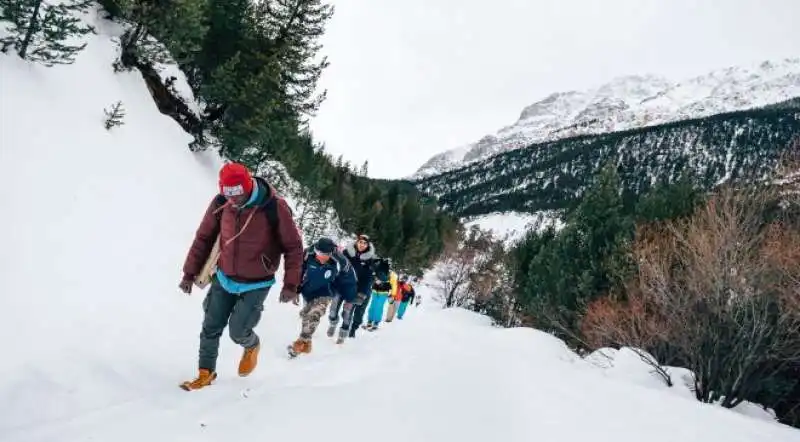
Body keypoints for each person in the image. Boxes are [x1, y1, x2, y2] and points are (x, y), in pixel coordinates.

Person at [179, 162, 303, 391]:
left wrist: (291, 284)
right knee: (210, 326)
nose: (233, 199)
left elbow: (293, 246)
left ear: (248, 186)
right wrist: (189, 273)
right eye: (228, 193)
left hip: (257, 282)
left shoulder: (273, 207)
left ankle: (252, 344)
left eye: (238, 192)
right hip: (224, 276)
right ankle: (205, 372)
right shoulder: (220, 203)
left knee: (238, 331)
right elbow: (204, 238)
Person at [289, 237, 357, 357]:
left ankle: (300, 342)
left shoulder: (340, 261)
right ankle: (307, 344)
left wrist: (350, 299)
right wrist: (296, 288)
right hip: (309, 291)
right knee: (305, 315)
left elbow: (350, 280)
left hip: (327, 292)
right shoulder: (307, 254)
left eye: (326, 255)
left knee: (314, 313)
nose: (322, 257)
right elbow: (298, 271)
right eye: (319, 253)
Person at [329, 234, 377, 339]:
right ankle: (333, 323)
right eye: (360, 242)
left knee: (347, 313)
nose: (362, 245)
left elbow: (368, 279)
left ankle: (343, 332)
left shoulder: (370, 259)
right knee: (333, 309)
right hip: (341, 286)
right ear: (356, 242)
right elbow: (337, 267)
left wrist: (362, 294)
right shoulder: (347, 253)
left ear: (368, 245)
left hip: (354, 290)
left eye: (365, 243)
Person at [364, 258, 397, 331]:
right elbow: (372, 277)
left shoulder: (392, 274)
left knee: (379, 307)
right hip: (375, 291)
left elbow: (394, 285)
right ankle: (370, 320)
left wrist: (392, 294)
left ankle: (376, 322)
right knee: (372, 306)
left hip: (383, 292)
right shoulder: (378, 270)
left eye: (389, 263)